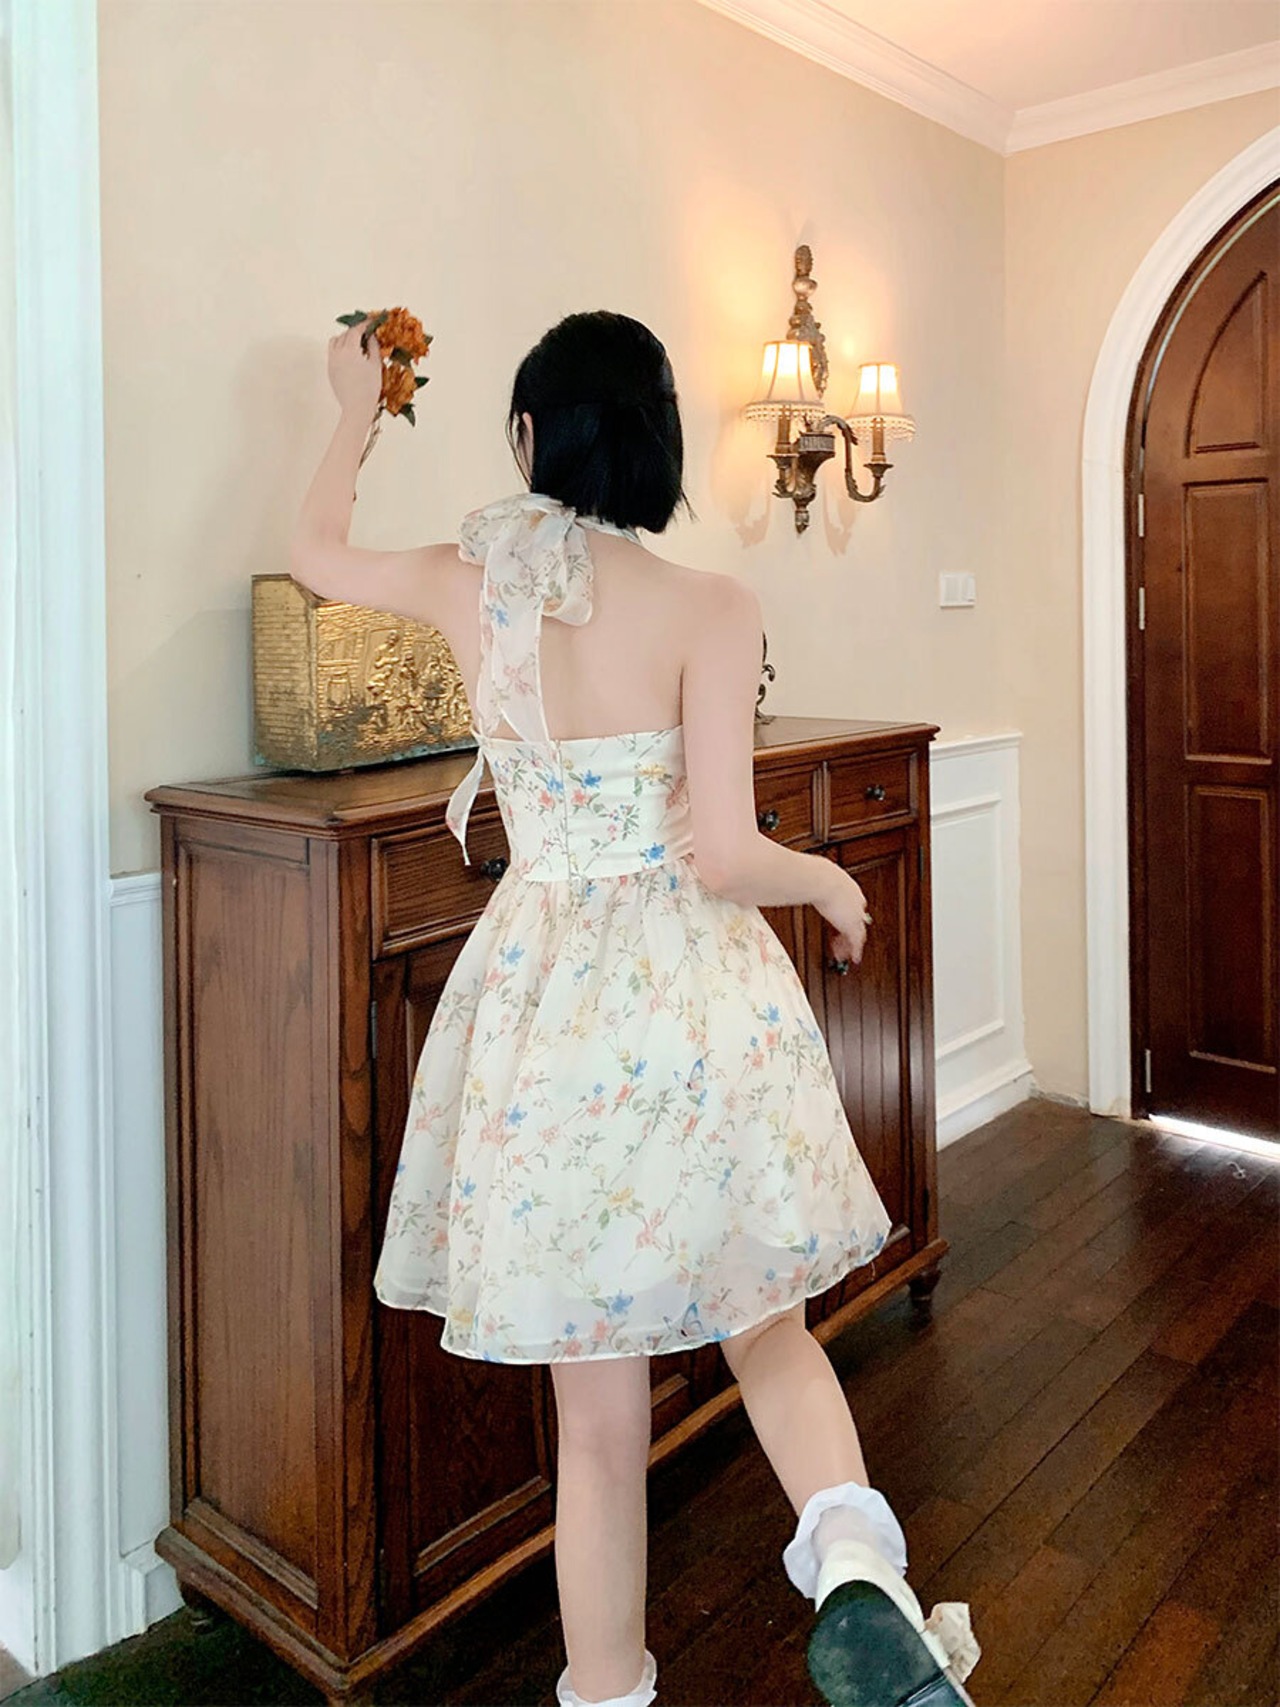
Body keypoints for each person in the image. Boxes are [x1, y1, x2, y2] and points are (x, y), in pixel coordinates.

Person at [291, 311, 979, 1707]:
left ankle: (607, 1692)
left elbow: (314, 555)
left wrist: (355, 408)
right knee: (769, 1331)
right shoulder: (714, 606)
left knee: (598, 1424)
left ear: (531, 437)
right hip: (693, 999)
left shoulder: (477, 582)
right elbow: (724, 854)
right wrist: (831, 885)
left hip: (546, 1009)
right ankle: (857, 1570)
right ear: (661, 445)